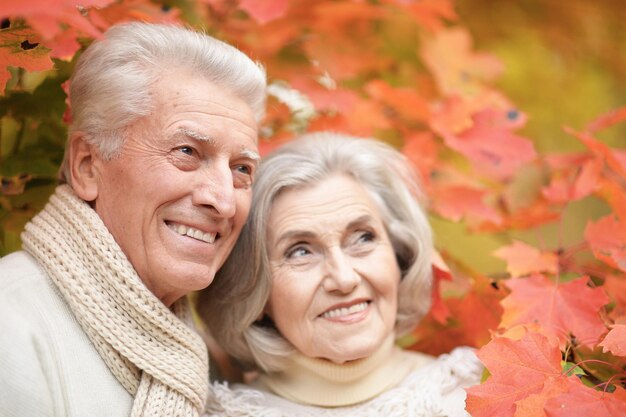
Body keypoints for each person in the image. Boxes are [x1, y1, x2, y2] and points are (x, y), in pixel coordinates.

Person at [0, 22, 266, 417]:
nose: (224, 200)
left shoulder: (187, 351)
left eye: (242, 169)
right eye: (187, 152)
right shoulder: (12, 326)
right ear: (87, 166)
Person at [197, 132, 483, 416]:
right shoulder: (218, 412)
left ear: (399, 256)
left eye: (363, 238)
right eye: (300, 252)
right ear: (254, 291)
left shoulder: (477, 392)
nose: (345, 279)